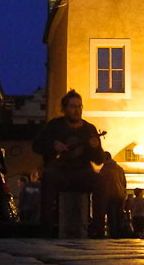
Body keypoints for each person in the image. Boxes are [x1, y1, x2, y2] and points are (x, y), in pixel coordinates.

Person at [32, 89, 106, 237]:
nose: (77, 110)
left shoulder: (89, 128)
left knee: (101, 180)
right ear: (64, 109)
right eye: (73, 106)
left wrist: (96, 147)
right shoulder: (54, 125)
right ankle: (46, 230)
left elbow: (99, 160)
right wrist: (53, 145)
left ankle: (98, 229)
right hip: (61, 172)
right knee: (48, 177)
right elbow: (36, 146)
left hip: (82, 172)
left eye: (79, 106)